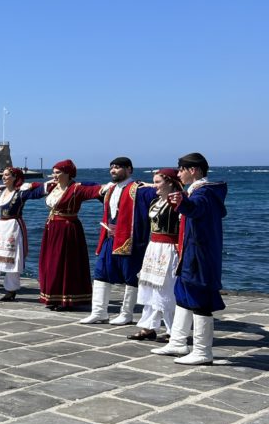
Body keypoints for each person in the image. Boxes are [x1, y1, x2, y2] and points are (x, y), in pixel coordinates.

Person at [152, 152, 228, 365]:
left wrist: (182, 203)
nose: (178, 174)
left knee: (199, 299)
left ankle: (203, 351)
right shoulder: (199, 191)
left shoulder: (204, 193)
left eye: (181, 170)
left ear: (192, 170)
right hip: (190, 253)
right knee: (183, 295)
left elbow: (196, 209)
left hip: (199, 256)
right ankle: (178, 341)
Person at [80, 157, 156, 326]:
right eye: (111, 167)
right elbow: (87, 186)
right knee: (100, 273)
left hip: (131, 240)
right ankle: (99, 312)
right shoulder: (110, 189)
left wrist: (153, 185)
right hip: (109, 238)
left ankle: (126, 314)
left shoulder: (139, 189)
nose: (113, 170)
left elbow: (165, 191)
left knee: (131, 276)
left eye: (117, 167)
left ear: (129, 169)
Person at [27, 159, 103, 309]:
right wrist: (27, 185)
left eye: (57, 173)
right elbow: (36, 187)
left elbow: (97, 190)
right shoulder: (53, 187)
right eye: (53, 173)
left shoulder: (76, 189)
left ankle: (68, 299)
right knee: (52, 262)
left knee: (66, 262)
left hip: (67, 229)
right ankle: (53, 296)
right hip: (52, 228)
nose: (54, 176)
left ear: (67, 173)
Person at [129, 168, 183, 341]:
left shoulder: (178, 202)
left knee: (166, 288)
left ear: (170, 183)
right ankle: (148, 327)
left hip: (169, 248)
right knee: (150, 287)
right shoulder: (156, 202)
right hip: (154, 248)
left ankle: (173, 330)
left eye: (158, 182)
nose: (154, 186)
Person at [0, 167, 43, 301]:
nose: (3, 177)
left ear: (14, 177)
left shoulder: (21, 192)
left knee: (12, 258)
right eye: (3, 175)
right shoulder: (1, 190)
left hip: (13, 227)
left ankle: (11, 290)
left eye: (7, 175)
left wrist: (31, 184)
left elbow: (40, 191)